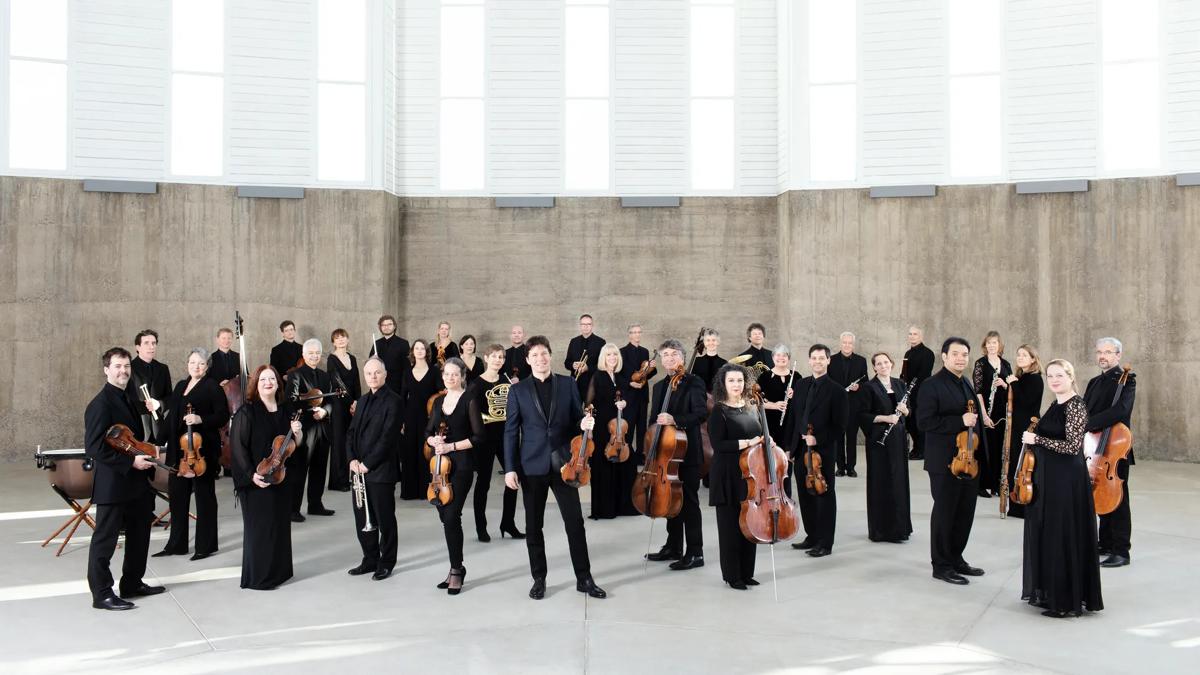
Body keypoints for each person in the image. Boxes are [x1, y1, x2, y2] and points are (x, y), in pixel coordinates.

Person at [503, 335, 606, 600]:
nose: (540, 359)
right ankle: (539, 578)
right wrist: (511, 468)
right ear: (528, 360)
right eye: (534, 355)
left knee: (575, 523)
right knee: (534, 526)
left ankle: (584, 578)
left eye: (544, 354)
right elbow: (511, 432)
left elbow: (576, 418)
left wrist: (584, 425)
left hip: (565, 464)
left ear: (550, 355)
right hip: (531, 466)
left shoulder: (567, 383)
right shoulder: (518, 390)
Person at [1020, 359, 1104, 618]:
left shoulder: (1076, 405)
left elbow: (1071, 447)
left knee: (1062, 533)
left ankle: (1066, 600)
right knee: (1048, 531)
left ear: (1070, 377)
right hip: (1048, 478)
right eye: (1050, 376)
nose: (1054, 380)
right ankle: (1051, 591)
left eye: (1059, 375)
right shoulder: (1055, 404)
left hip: (1066, 480)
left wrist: (1037, 439)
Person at [85, 347, 165, 610]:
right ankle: (102, 593)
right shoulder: (100, 404)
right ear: (106, 369)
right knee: (105, 540)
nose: (123, 371)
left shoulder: (128, 396)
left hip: (136, 483)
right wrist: (131, 461)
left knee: (140, 534)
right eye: (118, 366)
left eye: (127, 366)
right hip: (114, 483)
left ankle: (132, 582)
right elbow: (95, 448)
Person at [917, 337, 984, 585]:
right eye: (955, 354)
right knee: (945, 513)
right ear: (944, 356)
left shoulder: (965, 382)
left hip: (969, 460)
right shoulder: (930, 385)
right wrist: (959, 421)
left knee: (964, 513)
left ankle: (956, 559)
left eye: (965, 354)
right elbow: (924, 422)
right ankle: (941, 565)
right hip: (944, 462)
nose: (961, 358)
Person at [231, 365, 303, 590]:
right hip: (256, 480)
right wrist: (251, 475)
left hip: (280, 478)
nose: (268, 382)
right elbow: (238, 447)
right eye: (263, 379)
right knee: (260, 530)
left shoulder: (286, 411)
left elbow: (293, 446)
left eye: (272, 378)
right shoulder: (247, 411)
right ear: (256, 384)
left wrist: (298, 431)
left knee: (279, 527)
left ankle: (279, 573)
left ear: (277, 384)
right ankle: (260, 578)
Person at [155, 348, 229, 560]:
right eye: (192, 362)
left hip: (201, 451)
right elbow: (170, 419)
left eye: (201, 363)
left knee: (205, 498)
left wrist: (200, 420)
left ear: (207, 367)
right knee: (177, 498)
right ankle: (176, 544)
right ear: (187, 363)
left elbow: (222, 415)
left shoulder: (212, 386)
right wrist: (157, 443)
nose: (196, 366)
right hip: (178, 452)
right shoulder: (180, 385)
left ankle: (205, 546)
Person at [644, 340, 709, 570]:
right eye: (666, 355)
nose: (669, 359)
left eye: (674, 354)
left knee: (689, 502)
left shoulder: (693, 382)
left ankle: (695, 552)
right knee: (669, 501)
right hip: (664, 455)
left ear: (682, 357)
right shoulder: (659, 386)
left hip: (687, 453)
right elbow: (653, 421)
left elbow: (701, 414)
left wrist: (676, 420)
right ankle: (673, 547)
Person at [425, 359, 484, 595]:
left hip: (462, 466)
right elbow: (428, 431)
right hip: (439, 467)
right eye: (446, 374)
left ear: (462, 376)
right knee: (444, 513)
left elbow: (479, 437)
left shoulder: (469, 400)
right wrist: (433, 440)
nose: (450, 378)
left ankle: (457, 569)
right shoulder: (438, 401)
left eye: (454, 374)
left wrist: (451, 447)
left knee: (451, 516)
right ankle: (454, 568)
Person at [785, 344, 848, 558]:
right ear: (809, 360)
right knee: (805, 493)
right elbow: (794, 420)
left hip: (823, 451)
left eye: (822, 358)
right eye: (814, 358)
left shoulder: (837, 391)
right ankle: (811, 536)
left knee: (824, 494)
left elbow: (841, 427)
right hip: (801, 448)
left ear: (828, 361)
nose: (818, 361)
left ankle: (825, 542)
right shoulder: (801, 386)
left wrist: (818, 438)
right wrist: (790, 449)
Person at [346, 357, 402, 581]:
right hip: (358, 470)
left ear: (385, 374)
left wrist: (367, 464)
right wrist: (351, 460)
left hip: (380, 470)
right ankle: (369, 559)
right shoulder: (361, 400)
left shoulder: (394, 401)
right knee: (362, 518)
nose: (373, 377)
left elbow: (387, 438)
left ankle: (387, 561)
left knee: (385, 518)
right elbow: (350, 433)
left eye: (377, 373)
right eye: (369, 374)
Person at [706, 363, 761, 590]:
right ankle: (732, 575)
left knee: (751, 525)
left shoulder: (751, 406)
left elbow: (759, 434)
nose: (736, 385)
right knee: (730, 527)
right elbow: (718, 445)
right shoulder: (719, 410)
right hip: (728, 474)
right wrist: (748, 443)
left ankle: (747, 573)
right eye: (732, 381)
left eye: (740, 381)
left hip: (750, 475)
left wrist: (767, 442)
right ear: (723, 384)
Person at [1085, 337, 1136, 568]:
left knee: (1118, 499)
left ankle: (1121, 550)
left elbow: (1120, 411)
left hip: (1116, 447)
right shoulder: (1094, 381)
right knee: (1099, 494)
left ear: (1118, 355)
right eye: (1099, 352)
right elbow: (1085, 409)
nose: (1102, 356)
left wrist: (1089, 424)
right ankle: (1104, 543)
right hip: (1095, 447)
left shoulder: (1127, 380)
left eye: (1108, 352)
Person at [469, 344, 524, 541]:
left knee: (513, 479)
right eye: (494, 356)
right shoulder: (476, 384)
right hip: (484, 438)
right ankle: (480, 527)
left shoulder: (506, 380)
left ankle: (508, 523)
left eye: (501, 357)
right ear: (485, 358)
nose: (498, 360)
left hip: (506, 436)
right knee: (483, 483)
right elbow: (472, 415)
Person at [861, 352, 913, 543]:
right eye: (879, 364)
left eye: (886, 362)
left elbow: (909, 412)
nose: (883, 366)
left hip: (898, 440)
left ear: (892, 364)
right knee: (881, 482)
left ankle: (900, 529)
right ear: (874, 367)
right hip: (878, 442)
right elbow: (863, 416)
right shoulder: (868, 387)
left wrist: (905, 411)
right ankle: (881, 530)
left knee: (899, 481)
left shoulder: (900, 384)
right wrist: (886, 418)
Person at [284, 338, 336, 520]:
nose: (314, 356)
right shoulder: (295, 375)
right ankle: (293, 509)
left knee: (320, 468)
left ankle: (315, 504)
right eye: (310, 353)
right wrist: (308, 409)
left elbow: (331, 401)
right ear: (304, 355)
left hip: (321, 427)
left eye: (317, 353)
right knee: (299, 469)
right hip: (305, 427)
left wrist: (324, 411)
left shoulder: (325, 376)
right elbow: (291, 401)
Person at [587, 344, 636, 519]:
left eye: (615, 354)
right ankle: (604, 509)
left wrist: (625, 403)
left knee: (626, 464)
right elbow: (588, 404)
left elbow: (629, 397)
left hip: (618, 429)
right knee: (604, 466)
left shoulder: (621, 377)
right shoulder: (598, 376)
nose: (613, 358)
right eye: (609, 355)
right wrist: (590, 428)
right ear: (603, 358)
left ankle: (623, 506)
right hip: (602, 428)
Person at [1004, 345, 1044, 518]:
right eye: (1018, 354)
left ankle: (1024, 504)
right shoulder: (1022, 377)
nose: (1020, 357)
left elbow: (1027, 402)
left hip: (1027, 427)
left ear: (1033, 359)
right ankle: (1015, 504)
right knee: (1014, 463)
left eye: (1024, 355)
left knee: (1024, 465)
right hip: (1017, 425)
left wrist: (1013, 383)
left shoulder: (1035, 379)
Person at [972, 331, 1012, 498]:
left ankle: (995, 484)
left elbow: (1012, 387)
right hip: (985, 411)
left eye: (994, 343)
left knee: (997, 448)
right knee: (983, 448)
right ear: (985, 345)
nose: (991, 346)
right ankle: (981, 485)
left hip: (1001, 413)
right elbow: (978, 391)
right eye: (988, 343)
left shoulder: (1006, 364)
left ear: (999, 345)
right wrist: (984, 415)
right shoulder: (980, 364)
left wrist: (1004, 384)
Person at [400, 340, 440, 499]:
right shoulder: (407, 371)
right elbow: (402, 397)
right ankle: (409, 491)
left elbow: (439, 394)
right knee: (409, 451)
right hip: (410, 415)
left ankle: (426, 491)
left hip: (428, 417)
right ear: (412, 351)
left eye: (422, 348)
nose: (419, 351)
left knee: (426, 453)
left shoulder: (434, 371)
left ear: (427, 351)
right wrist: (401, 419)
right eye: (416, 348)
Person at [829, 332, 869, 477]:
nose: (847, 345)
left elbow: (866, 382)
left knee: (851, 437)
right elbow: (827, 381)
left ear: (853, 344)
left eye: (850, 343)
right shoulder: (831, 360)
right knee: (838, 437)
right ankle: (840, 467)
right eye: (844, 342)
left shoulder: (861, 361)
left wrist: (859, 387)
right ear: (840, 344)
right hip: (837, 405)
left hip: (854, 405)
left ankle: (851, 467)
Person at [326, 329, 361, 493]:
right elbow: (337, 382)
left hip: (352, 404)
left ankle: (349, 476)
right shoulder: (331, 359)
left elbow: (357, 382)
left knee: (351, 441)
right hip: (339, 405)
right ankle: (337, 480)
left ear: (348, 340)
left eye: (343, 337)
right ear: (333, 342)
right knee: (339, 442)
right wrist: (350, 402)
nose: (340, 340)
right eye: (337, 338)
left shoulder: (352, 358)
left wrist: (358, 402)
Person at [618, 324, 656, 460]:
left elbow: (645, 374)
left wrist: (652, 368)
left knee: (642, 427)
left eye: (639, 332)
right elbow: (618, 375)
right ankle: (627, 454)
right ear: (629, 335)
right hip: (628, 395)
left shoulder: (645, 352)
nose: (637, 335)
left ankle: (640, 454)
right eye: (634, 332)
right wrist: (629, 383)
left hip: (642, 395)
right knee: (628, 426)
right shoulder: (621, 352)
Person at [129, 329, 172, 443]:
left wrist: (159, 404)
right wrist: (144, 406)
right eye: (146, 343)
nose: (151, 347)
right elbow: (126, 400)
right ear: (138, 347)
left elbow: (170, 397)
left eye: (154, 343)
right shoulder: (129, 368)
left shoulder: (163, 369)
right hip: (138, 426)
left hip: (159, 426)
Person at [901, 326, 935, 460]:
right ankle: (916, 449)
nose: (912, 336)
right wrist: (901, 384)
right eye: (910, 334)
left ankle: (922, 450)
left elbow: (923, 375)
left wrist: (910, 387)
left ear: (921, 336)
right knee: (910, 422)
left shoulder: (928, 353)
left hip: (921, 392)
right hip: (909, 393)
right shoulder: (907, 354)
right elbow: (904, 374)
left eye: (915, 334)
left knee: (918, 421)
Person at [565, 314, 605, 400]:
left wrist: (588, 368)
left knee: (591, 411)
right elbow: (567, 362)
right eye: (583, 324)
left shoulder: (601, 342)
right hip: (576, 384)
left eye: (588, 324)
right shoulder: (573, 341)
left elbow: (603, 365)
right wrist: (573, 365)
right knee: (576, 412)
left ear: (592, 326)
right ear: (580, 326)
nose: (586, 327)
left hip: (593, 383)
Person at [369, 314, 410, 395]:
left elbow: (407, 368)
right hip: (379, 385)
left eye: (389, 324)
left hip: (397, 387)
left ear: (394, 326)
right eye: (383, 325)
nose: (386, 327)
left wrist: (404, 389)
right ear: (380, 327)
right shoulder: (376, 344)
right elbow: (370, 366)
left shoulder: (403, 343)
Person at [691, 328, 727, 393]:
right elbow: (693, 382)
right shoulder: (697, 361)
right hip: (700, 397)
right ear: (704, 343)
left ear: (718, 342)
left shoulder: (724, 363)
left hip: (718, 398)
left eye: (713, 340)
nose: (711, 343)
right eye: (708, 340)